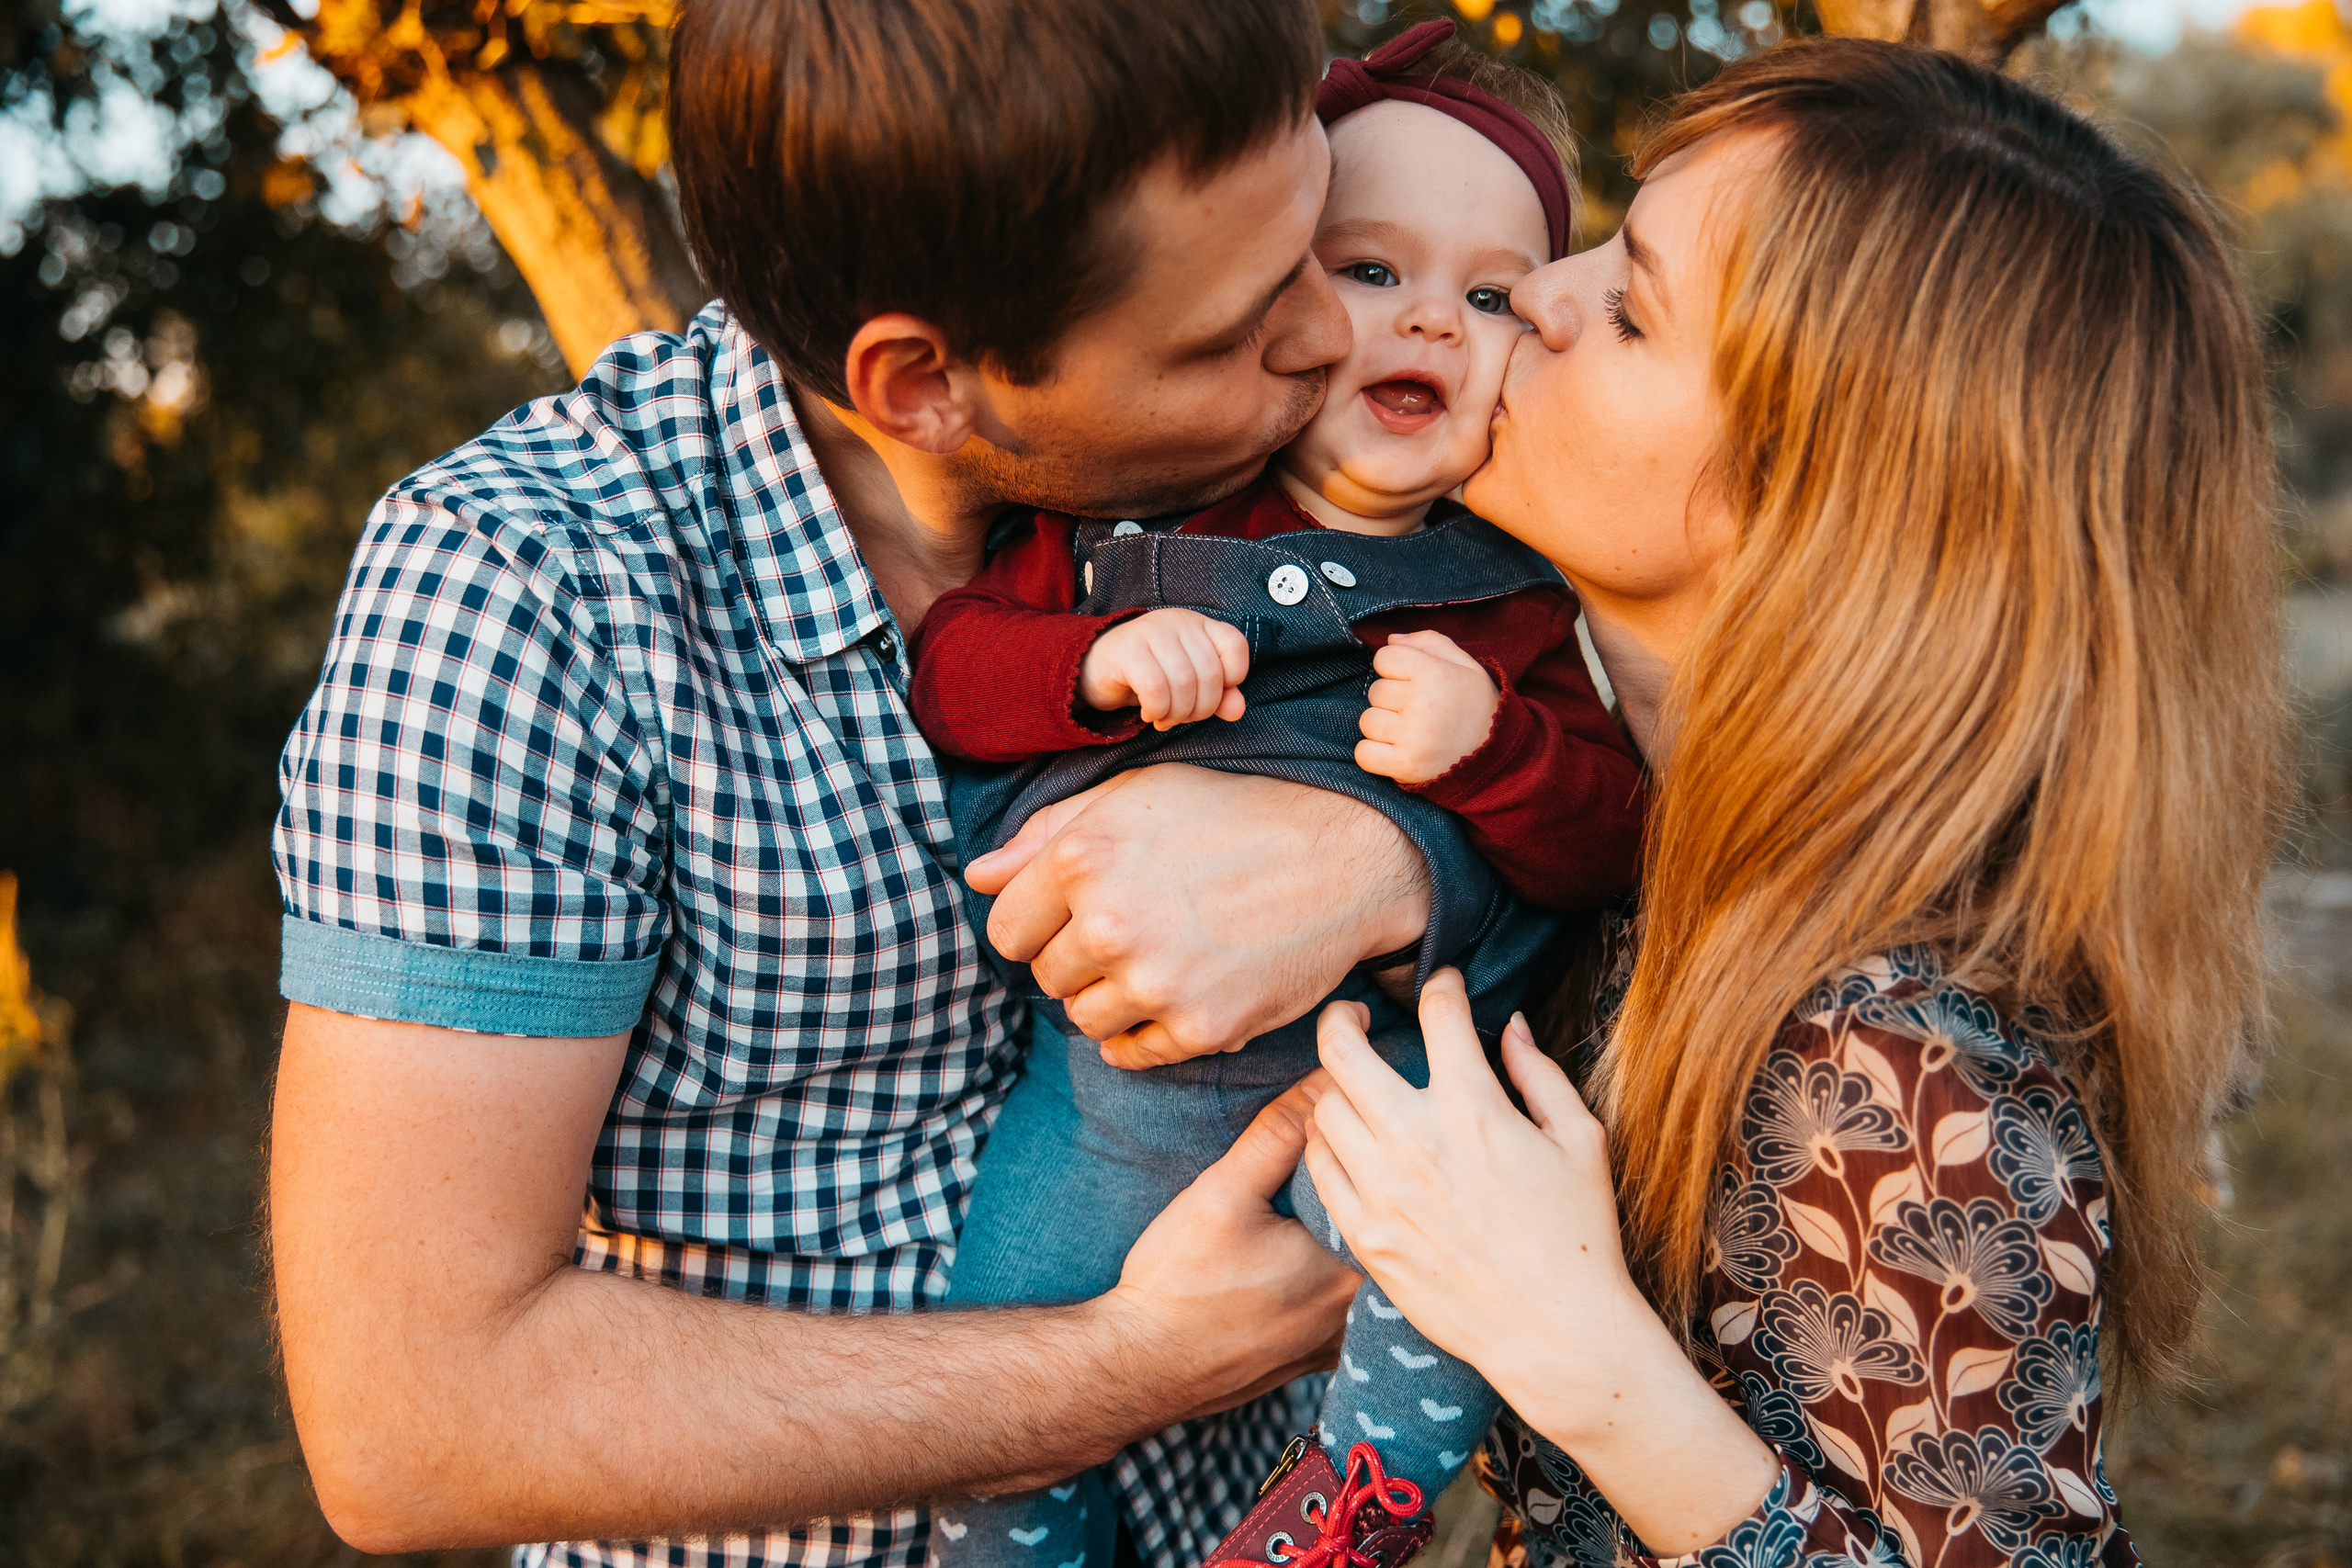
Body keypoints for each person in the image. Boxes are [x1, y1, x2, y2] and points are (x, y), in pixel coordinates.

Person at [263, 4, 1506, 1565]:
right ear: (921, 385)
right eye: (1232, 325)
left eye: (1323, 241)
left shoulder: (1265, 466)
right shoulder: (525, 597)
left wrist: (1389, 863)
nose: (1332, 337)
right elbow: (414, 1424)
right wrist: (1126, 1371)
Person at [1286, 37, 2287, 1568]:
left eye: (1629, 308)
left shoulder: (1899, 1050)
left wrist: (1584, 1355)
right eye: (1609, 235)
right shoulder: (1647, 838)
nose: (1545, 290)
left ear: (1820, 505)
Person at [907, 25, 1645, 1568]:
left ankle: (1342, 1511)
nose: (1434, 319)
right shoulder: (1138, 517)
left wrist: (1491, 750)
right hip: (1093, 1121)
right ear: (1275, 305)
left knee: (1452, 1269)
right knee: (986, 1349)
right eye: (1372, 270)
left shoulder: (1510, 605)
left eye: (1496, 295)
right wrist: (1095, 662)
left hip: (1353, 1115)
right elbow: (954, 666)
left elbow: (1603, 842)